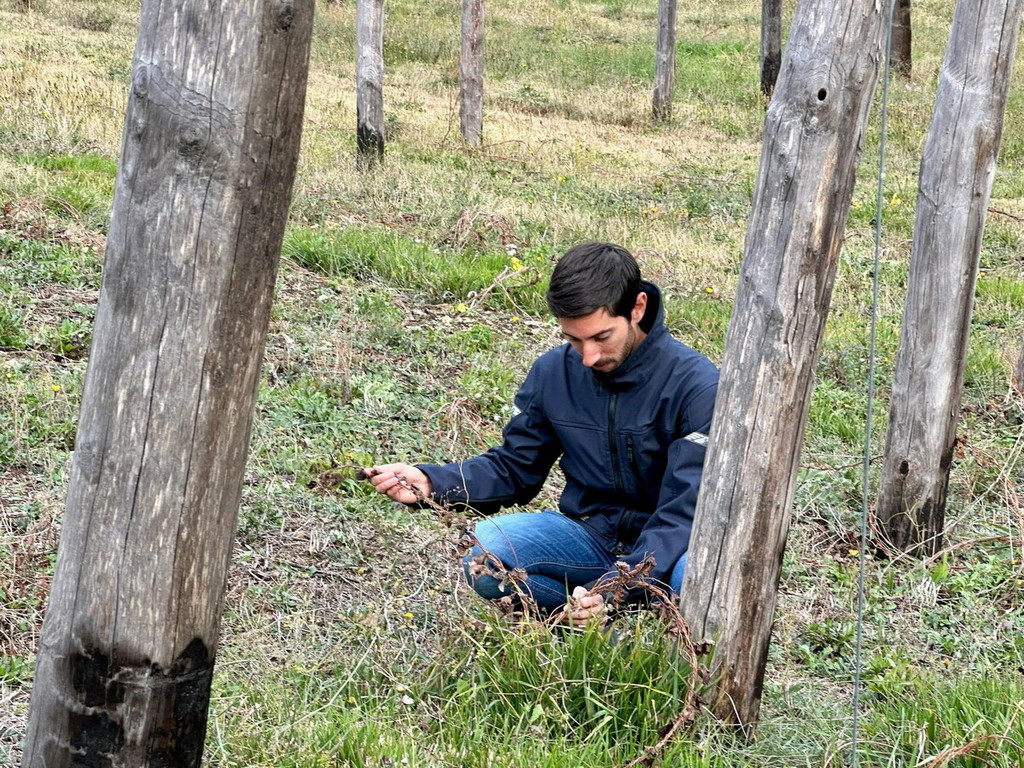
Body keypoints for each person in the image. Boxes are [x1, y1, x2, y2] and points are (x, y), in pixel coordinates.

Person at [363, 242, 719, 625]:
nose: (588, 357)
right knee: (483, 556)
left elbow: (684, 513)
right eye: (574, 339)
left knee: (699, 575)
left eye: (601, 337)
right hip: (592, 537)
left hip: (670, 551)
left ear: (638, 307)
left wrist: (615, 588)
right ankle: (582, 619)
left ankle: (636, 622)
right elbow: (514, 467)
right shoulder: (553, 372)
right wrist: (433, 482)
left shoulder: (698, 386)